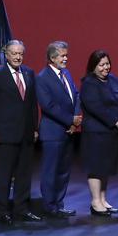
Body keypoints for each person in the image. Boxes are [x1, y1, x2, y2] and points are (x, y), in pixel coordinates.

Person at [0, 39, 40, 224]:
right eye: (14, 53)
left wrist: (34, 128)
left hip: (26, 134)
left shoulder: (29, 73)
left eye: (20, 54)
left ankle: (22, 210)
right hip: (4, 134)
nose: (18, 57)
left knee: (24, 175)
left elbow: (32, 104)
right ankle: (2, 212)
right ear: (6, 55)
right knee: (4, 176)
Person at [79, 50, 118, 216]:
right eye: (101, 65)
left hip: (111, 133)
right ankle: (95, 201)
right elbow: (96, 108)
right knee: (96, 167)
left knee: (106, 167)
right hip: (96, 133)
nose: (105, 68)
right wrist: (116, 121)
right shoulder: (88, 83)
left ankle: (103, 199)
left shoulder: (113, 80)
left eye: (107, 64)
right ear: (93, 66)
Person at [36, 40, 81, 218]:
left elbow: (76, 95)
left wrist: (76, 118)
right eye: (63, 56)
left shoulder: (66, 73)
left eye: (66, 55)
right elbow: (48, 106)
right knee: (51, 171)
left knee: (63, 171)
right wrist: (70, 120)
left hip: (68, 131)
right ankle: (49, 206)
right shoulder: (42, 78)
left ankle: (59, 204)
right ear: (52, 58)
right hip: (53, 133)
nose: (66, 59)